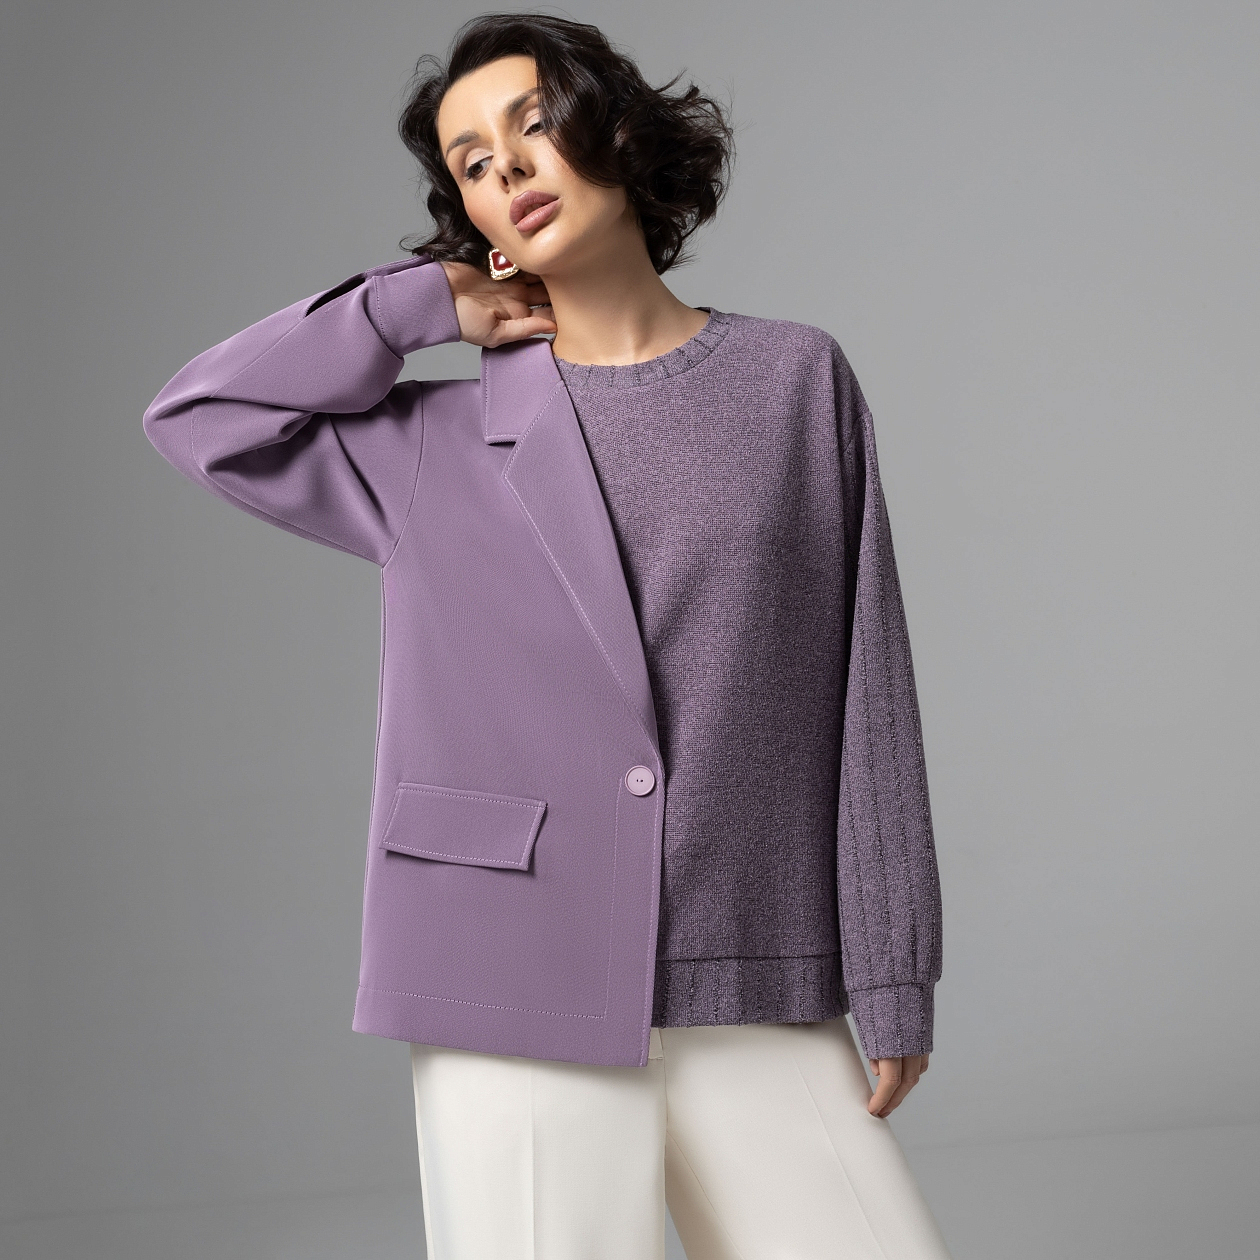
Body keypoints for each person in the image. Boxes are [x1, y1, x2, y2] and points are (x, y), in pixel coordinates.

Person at [143, 11, 950, 1259]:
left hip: (758, 962)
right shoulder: (429, 442)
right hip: (512, 975)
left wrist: (893, 965)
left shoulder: (796, 382)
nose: (510, 167)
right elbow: (201, 414)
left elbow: (868, 689)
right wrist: (413, 307)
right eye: (473, 162)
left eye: (533, 125)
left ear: (618, 131)